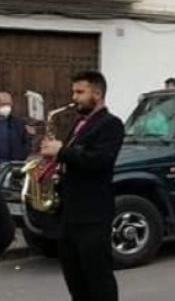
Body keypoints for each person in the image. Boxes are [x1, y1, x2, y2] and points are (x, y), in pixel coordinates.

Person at [42, 70, 124, 301]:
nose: (74, 97)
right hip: (70, 215)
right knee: (75, 281)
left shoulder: (111, 124)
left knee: (98, 280)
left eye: (80, 92)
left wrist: (62, 151)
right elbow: (71, 160)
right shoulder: (80, 123)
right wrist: (51, 159)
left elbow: (100, 161)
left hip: (93, 216)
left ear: (97, 94)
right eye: (73, 91)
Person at [0, 90, 31, 163]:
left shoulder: (18, 123)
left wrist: (22, 156)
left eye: (9, 104)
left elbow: (27, 142)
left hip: (14, 164)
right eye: (3, 104)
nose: (6, 107)